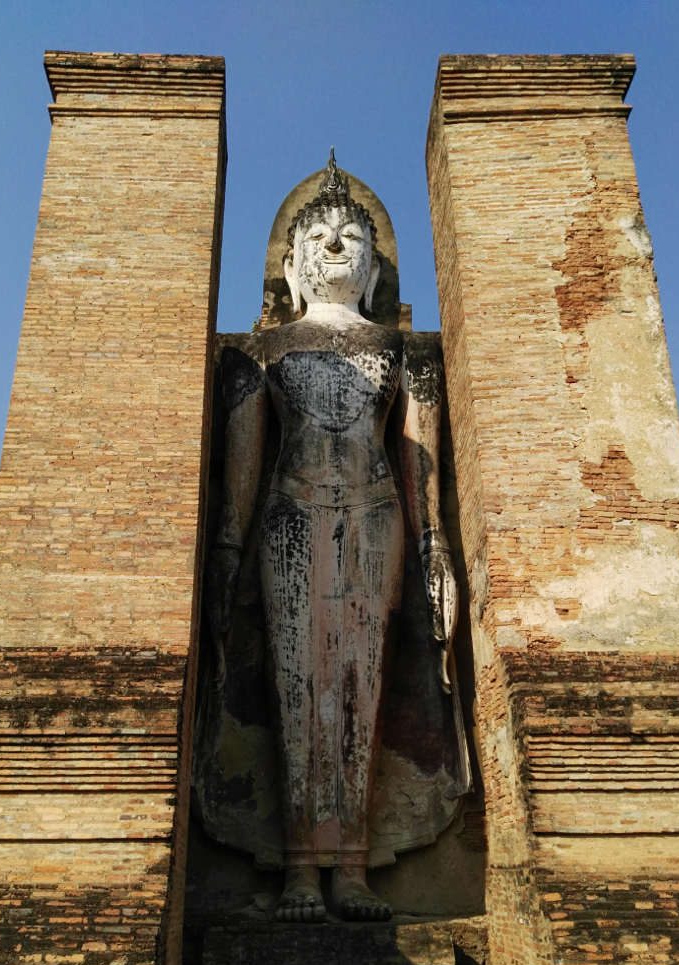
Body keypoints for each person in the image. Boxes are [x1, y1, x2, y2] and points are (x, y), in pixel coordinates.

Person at [211, 152, 456, 922]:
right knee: (296, 689)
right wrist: (225, 547)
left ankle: (349, 869)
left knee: (360, 687)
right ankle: (297, 874)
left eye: (352, 234)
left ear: (377, 267)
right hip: (288, 518)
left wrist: (436, 546)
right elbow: (242, 469)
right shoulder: (264, 354)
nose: (337, 246)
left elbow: (421, 467)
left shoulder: (401, 355)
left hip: (378, 517)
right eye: (320, 236)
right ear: (293, 262)